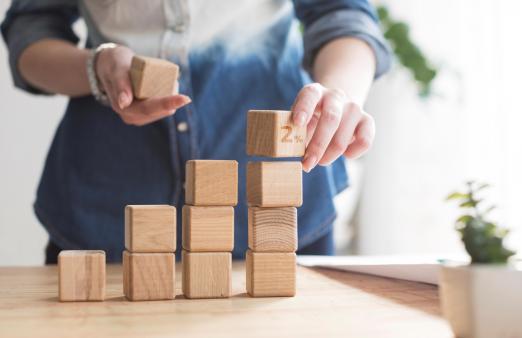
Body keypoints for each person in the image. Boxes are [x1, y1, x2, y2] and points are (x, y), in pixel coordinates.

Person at [1, 0, 391, 263]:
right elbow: (31, 28)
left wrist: (339, 94)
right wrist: (95, 67)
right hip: (104, 208)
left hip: (278, 210)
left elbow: (343, 11)